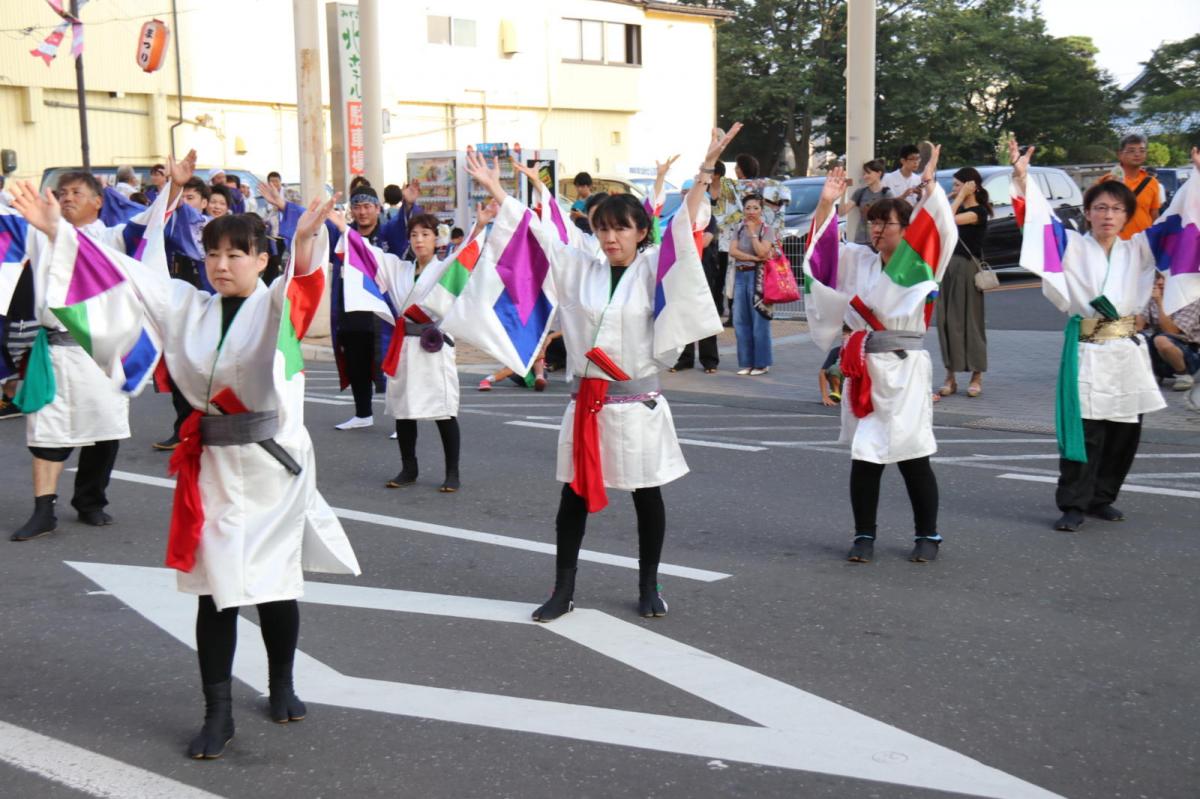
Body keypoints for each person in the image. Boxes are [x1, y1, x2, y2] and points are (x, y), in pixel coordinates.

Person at [12, 158, 361, 760]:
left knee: (276, 585)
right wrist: (56, 231)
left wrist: (306, 240)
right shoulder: (185, 305)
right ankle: (217, 711)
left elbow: (303, 290)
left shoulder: (274, 306)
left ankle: (282, 684)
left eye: (237, 254)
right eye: (214, 254)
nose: (222, 265)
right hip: (214, 471)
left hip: (273, 468)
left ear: (261, 260)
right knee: (213, 588)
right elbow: (117, 272)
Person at [462, 126, 737, 621]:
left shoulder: (655, 268)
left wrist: (705, 170)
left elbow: (684, 229)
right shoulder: (578, 267)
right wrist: (496, 188)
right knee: (572, 497)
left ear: (640, 231)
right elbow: (534, 233)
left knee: (645, 495)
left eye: (622, 228)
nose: (610, 237)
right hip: (588, 404)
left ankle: (649, 584)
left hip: (637, 405)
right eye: (602, 228)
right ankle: (562, 589)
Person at [1010, 139, 1200, 531]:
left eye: (1116, 209)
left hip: (1127, 351)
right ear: (1088, 213)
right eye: (1100, 208)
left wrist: (1198, 177)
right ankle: (1074, 503)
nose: (1108, 215)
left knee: (1124, 431)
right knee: (1087, 429)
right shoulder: (1070, 246)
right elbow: (1036, 222)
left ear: (1128, 215)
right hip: (1088, 349)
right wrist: (1022, 177)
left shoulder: (1140, 249)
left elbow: (1181, 219)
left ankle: (1103, 497)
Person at [803, 145, 955, 564]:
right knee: (865, 456)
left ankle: (929, 535)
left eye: (886, 223)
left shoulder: (920, 266)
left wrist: (928, 187)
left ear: (906, 230)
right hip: (865, 367)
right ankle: (863, 535)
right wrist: (826, 203)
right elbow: (822, 256)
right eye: (872, 223)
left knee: (913, 455)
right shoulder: (861, 262)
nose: (877, 230)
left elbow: (940, 229)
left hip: (905, 370)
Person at [5, 170, 162, 541]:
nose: (67, 197)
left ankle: (91, 501)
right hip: (54, 349)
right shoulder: (38, 232)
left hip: (100, 353)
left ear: (98, 201)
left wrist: (170, 190)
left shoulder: (110, 238)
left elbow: (149, 226)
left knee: (105, 431)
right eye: (62, 192)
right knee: (45, 431)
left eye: (77, 192)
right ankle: (44, 510)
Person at [333, 209, 477, 492]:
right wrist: (343, 229)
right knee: (404, 410)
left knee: (444, 410)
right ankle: (408, 467)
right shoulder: (399, 268)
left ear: (437, 239)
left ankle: (452, 472)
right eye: (414, 235)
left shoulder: (445, 267)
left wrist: (480, 225)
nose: (419, 240)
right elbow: (368, 253)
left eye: (425, 234)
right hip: (405, 345)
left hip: (433, 346)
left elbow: (469, 255)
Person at [936, 167, 992, 398]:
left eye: (958, 185)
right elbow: (938, 221)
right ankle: (950, 376)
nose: (954, 189)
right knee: (947, 322)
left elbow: (948, 221)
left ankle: (976, 375)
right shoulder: (957, 205)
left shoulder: (978, 212)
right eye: (954, 185)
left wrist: (957, 198)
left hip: (967, 268)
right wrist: (952, 197)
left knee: (970, 322)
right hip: (947, 267)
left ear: (972, 186)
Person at [672, 184, 721, 373]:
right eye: (684, 192)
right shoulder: (678, 218)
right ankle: (684, 359)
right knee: (683, 315)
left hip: (704, 272)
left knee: (705, 314)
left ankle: (710, 361)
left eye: (690, 192)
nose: (686, 196)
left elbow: (706, 240)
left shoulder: (708, 219)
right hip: (682, 272)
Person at [728, 193, 776, 375]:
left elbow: (763, 252)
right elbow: (733, 251)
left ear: (761, 210)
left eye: (755, 208)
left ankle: (762, 363)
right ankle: (746, 362)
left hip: (759, 277)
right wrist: (752, 258)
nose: (751, 212)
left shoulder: (767, 229)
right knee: (741, 321)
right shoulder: (738, 228)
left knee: (759, 320)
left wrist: (753, 234)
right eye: (748, 208)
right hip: (741, 276)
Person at [1140, 273, 1200, 391]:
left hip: (1188, 350)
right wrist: (1140, 299)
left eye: (1165, 278)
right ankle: (1152, 373)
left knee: (1161, 340)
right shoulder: (1152, 295)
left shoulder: (1192, 299)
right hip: (1157, 347)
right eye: (1157, 278)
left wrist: (1160, 302)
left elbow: (1171, 331)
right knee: (1136, 337)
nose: (1160, 283)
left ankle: (1183, 374)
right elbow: (1138, 326)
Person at [1097, 133, 1163, 239]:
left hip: (1144, 242)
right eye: (1131, 151)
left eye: (1141, 150)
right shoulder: (1108, 181)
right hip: (1116, 243)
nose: (1137, 154)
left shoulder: (1152, 182)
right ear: (1119, 154)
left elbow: (1154, 215)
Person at [840, 159, 890, 245]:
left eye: (868, 173)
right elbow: (842, 212)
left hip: (879, 240)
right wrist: (843, 192)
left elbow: (891, 218)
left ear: (879, 173)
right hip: (861, 240)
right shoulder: (860, 192)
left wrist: (872, 213)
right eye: (864, 174)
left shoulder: (887, 194)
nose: (865, 176)